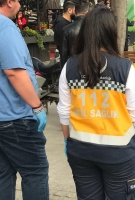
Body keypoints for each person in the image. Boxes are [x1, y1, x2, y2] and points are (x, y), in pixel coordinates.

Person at [57, 7, 135, 199]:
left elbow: (64, 111)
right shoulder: (124, 68)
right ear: (110, 32)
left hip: (81, 151)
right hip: (119, 155)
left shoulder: (69, 66)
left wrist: (68, 141)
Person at [0, 0, 48, 199]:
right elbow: (14, 72)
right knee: (35, 171)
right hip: (16, 118)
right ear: (9, 2)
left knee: (3, 174)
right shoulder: (5, 28)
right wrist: (36, 106)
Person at [61, 0, 90, 66]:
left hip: (73, 66)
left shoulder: (66, 29)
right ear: (87, 12)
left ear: (75, 11)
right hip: (89, 66)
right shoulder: (93, 28)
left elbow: (64, 55)